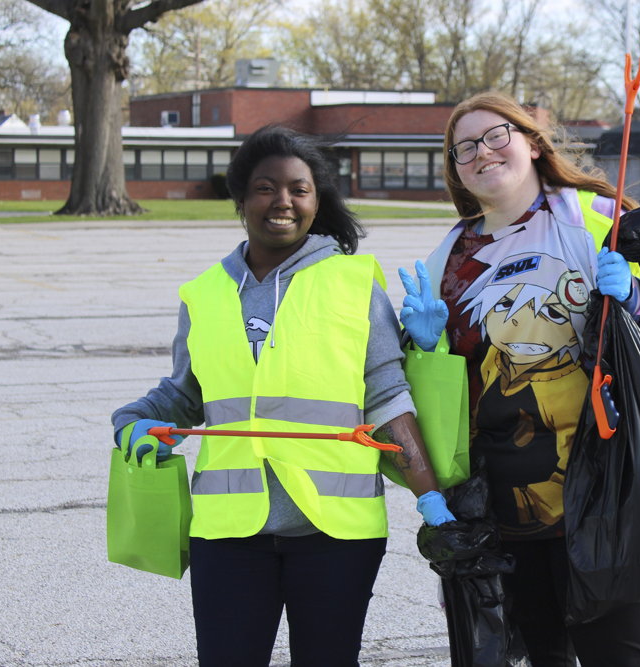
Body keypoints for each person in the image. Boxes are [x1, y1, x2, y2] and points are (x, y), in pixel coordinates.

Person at [111, 124, 455, 667]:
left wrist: (432, 501)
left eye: (300, 189)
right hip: (229, 532)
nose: (283, 201)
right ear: (241, 198)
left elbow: (389, 397)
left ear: (317, 201)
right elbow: (184, 395)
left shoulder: (353, 284)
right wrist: (132, 420)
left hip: (335, 533)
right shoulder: (204, 295)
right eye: (266, 187)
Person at [398, 91, 640, 667]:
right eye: (464, 147)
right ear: (455, 169)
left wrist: (635, 297)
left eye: (496, 136)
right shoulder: (450, 260)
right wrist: (425, 347)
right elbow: (449, 392)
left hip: (609, 495)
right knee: (545, 657)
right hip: (507, 508)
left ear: (533, 144)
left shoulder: (597, 220)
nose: (482, 152)